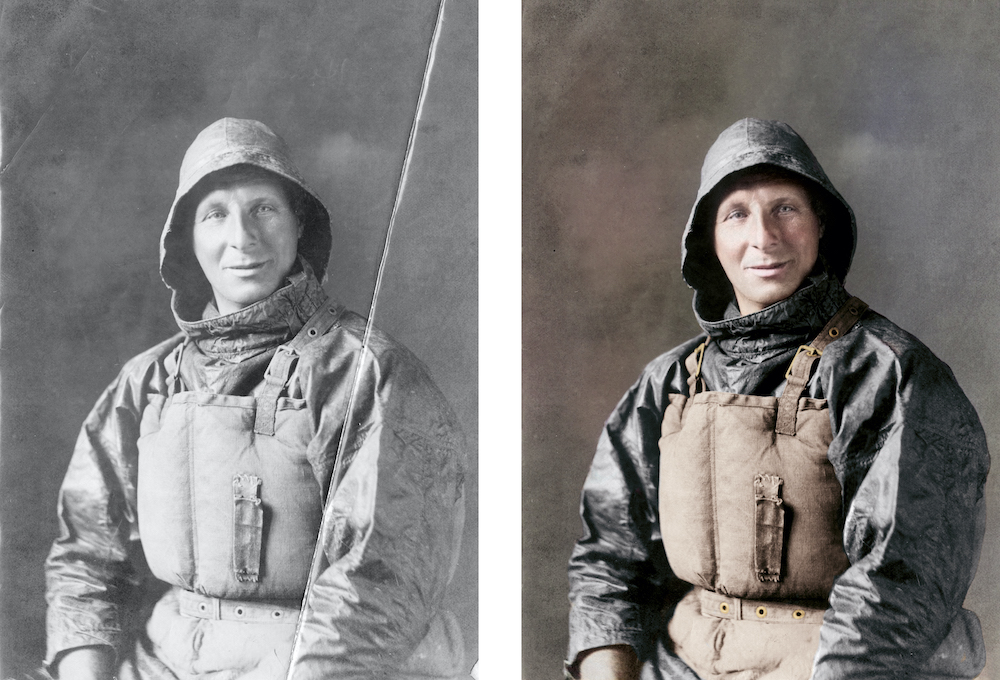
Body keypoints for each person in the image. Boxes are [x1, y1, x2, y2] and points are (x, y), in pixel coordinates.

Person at [43, 118, 466, 680]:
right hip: (164, 661)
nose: (242, 237)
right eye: (215, 213)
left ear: (298, 224)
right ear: (187, 242)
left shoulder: (369, 374)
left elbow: (384, 583)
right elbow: (87, 555)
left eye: (263, 208)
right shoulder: (148, 383)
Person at [566, 118, 989, 680]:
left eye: (785, 208)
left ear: (821, 224)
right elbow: (610, 560)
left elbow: (902, 583)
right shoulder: (668, 383)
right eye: (736, 213)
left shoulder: (889, 374)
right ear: (709, 242)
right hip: (682, 663)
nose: (763, 237)